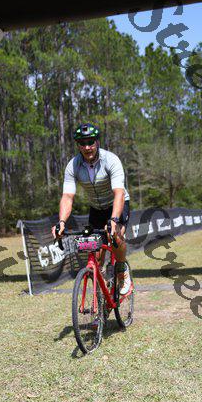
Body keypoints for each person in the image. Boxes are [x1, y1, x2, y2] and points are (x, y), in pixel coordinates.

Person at [51, 123, 132, 295]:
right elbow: (67, 196)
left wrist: (114, 220)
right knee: (95, 253)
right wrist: (61, 222)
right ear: (78, 145)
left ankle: (121, 269)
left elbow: (119, 192)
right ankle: (101, 296)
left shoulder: (111, 160)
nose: (87, 147)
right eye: (83, 143)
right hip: (96, 207)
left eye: (91, 142)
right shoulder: (73, 165)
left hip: (117, 204)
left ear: (97, 142)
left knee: (115, 235)